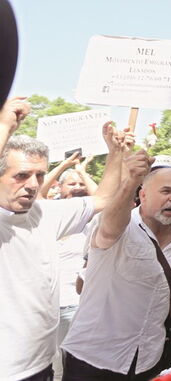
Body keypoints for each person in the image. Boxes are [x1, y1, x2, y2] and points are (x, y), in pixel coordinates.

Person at [0, 99, 128, 381]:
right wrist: (4, 126)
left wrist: (115, 153)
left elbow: (105, 198)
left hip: (43, 365)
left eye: (39, 175)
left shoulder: (46, 213)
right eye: (21, 175)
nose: (33, 185)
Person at [62, 151, 171, 379]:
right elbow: (110, 226)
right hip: (93, 358)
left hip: (147, 359)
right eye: (166, 191)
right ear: (142, 195)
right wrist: (130, 180)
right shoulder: (121, 227)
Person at [53, 157, 97, 381]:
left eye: (81, 184)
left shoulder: (90, 221)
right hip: (45, 307)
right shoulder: (44, 214)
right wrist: (62, 166)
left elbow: (102, 198)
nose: (78, 188)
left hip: (76, 305)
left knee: (75, 366)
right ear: (58, 188)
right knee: (51, 366)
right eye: (71, 183)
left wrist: (82, 172)